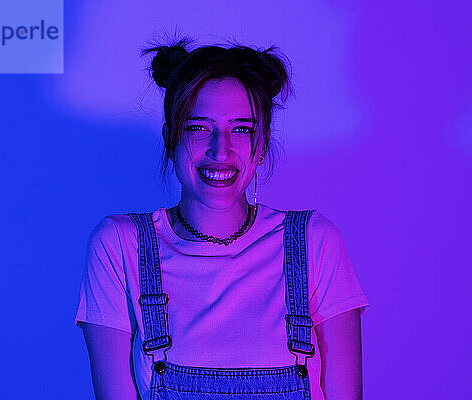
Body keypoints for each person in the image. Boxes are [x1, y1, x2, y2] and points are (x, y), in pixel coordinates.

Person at [75, 37, 370, 400]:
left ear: (261, 146)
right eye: (199, 127)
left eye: (241, 129)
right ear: (170, 137)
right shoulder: (121, 245)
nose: (221, 149)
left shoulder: (314, 242)